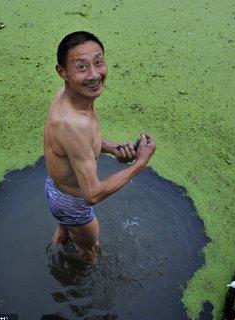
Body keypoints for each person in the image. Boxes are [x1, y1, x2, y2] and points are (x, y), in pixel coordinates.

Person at [43, 31, 156, 263]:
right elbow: (92, 195)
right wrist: (140, 164)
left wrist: (114, 148)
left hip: (56, 188)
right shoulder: (74, 124)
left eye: (98, 62)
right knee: (91, 250)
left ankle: (60, 237)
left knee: (65, 227)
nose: (94, 74)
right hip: (73, 203)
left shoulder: (65, 97)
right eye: (82, 67)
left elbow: (77, 146)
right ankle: (81, 289)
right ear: (62, 72)